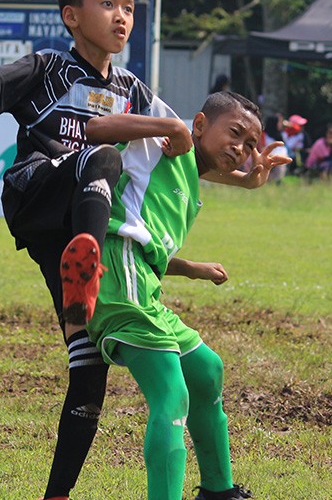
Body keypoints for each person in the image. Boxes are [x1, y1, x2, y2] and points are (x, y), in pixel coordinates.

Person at [0, 0, 275, 500]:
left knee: (88, 375)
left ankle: (57, 493)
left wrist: (245, 176)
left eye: (129, 7)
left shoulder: (134, 87)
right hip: (41, 194)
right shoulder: (48, 67)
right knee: (102, 156)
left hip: (78, 232)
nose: (121, 16)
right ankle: (87, 258)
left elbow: (185, 156)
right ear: (71, 16)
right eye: (107, 4)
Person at [85, 91, 283, 500]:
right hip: (117, 277)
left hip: (141, 280)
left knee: (206, 370)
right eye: (235, 133)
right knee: (171, 394)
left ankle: (218, 491)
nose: (241, 148)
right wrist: (171, 127)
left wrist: (190, 267)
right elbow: (98, 128)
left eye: (250, 144)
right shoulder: (163, 144)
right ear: (198, 125)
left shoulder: (189, 178)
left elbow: (149, 243)